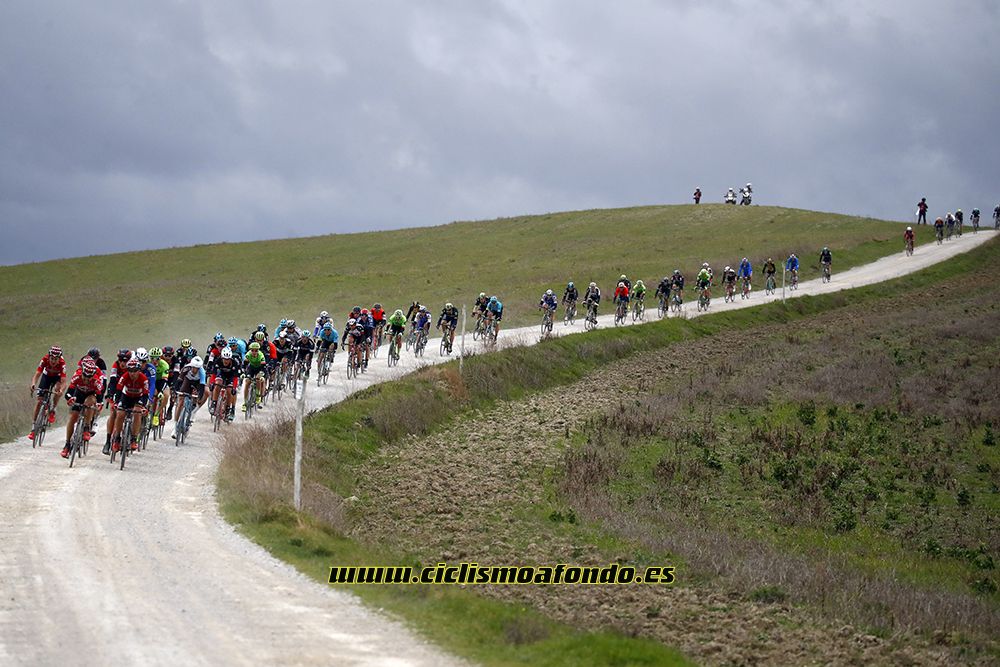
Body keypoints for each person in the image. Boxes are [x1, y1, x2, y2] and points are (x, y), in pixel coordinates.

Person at [61, 357, 104, 458]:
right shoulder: (77, 376)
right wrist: (69, 399)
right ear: (82, 372)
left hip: (90, 395)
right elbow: (68, 393)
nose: (87, 379)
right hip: (79, 393)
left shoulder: (96, 381)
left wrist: (99, 404)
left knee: (90, 403)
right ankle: (67, 444)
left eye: (90, 377)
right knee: (73, 417)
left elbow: (100, 397)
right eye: (85, 376)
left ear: (93, 375)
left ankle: (86, 427)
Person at [110, 358, 149, 453]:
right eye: (130, 371)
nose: (132, 373)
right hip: (125, 397)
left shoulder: (143, 379)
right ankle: (117, 438)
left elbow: (145, 395)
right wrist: (116, 403)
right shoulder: (124, 376)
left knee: (137, 413)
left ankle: (133, 439)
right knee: (120, 414)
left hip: (138, 398)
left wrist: (143, 406)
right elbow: (118, 391)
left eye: (135, 371)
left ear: (139, 371)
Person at [29, 346, 67, 441]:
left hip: (57, 378)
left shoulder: (62, 364)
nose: (53, 361)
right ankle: (33, 428)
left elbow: (64, 382)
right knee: (39, 402)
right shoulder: (44, 360)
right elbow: (37, 374)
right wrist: (33, 384)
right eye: (52, 358)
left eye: (56, 359)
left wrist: (61, 391)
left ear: (59, 359)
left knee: (57, 389)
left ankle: (53, 408)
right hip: (46, 376)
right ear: (49, 357)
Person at [171, 356, 206, 439]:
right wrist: (176, 392)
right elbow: (179, 381)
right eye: (194, 368)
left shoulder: (202, 372)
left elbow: (202, 386)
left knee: (195, 396)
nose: (195, 370)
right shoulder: (186, 368)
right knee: (180, 402)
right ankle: (175, 427)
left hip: (197, 383)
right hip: (187, 381)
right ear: (191, 366)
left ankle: (191, 414)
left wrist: (199, 397)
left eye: (197, 368)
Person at [242, 342, 267, 411]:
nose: (254, 352)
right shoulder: (248, 355)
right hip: (251, 368)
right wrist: (243, 373)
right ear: (250, 350)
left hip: (260, 368)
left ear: (258, 350)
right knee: (247, 381)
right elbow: (244, 365)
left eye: (256, 350)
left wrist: (261, 374)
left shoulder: (261, 355)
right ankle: (245, 402)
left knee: (258, 379)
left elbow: (263, 367)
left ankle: (258, 395)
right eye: (252, 350)